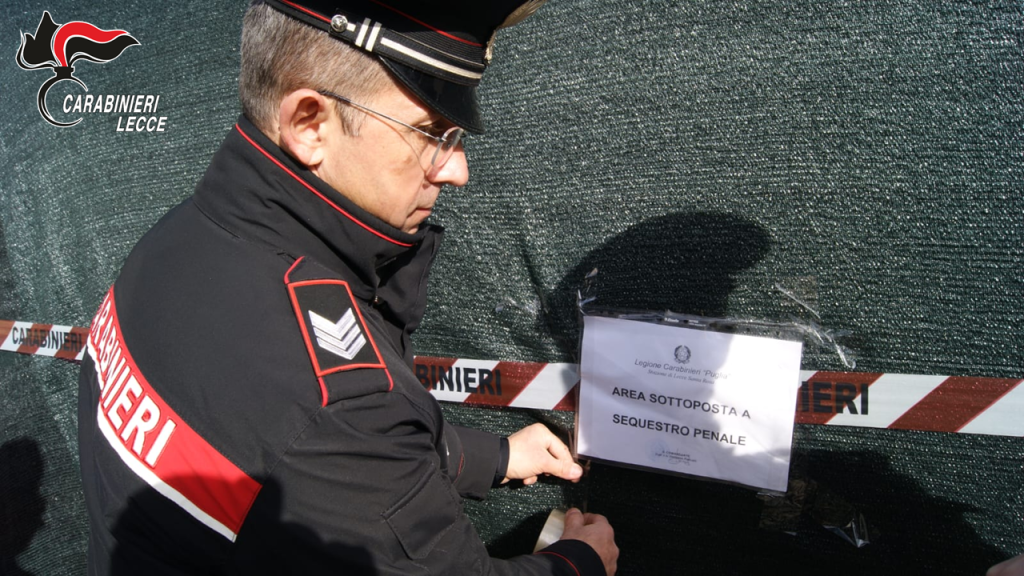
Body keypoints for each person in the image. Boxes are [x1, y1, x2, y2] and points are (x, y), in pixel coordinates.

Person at [76, 0, 618, 574]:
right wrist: (579, 563)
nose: (457, 170)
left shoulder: (177, 241)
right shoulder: (337, 396)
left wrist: (494, 456)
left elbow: (305, 462)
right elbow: (331, 441)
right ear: (309, 124)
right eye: (433, 133)